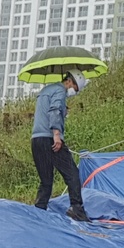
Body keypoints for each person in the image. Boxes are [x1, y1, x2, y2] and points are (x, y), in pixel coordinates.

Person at [31, 68, 91, 222]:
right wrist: (57, 135)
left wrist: (63, 110)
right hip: (50, 138)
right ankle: (76, 209)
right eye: (75, 88)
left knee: (46, 180)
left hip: (36, 140)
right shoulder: (59, 90)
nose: (74, 92)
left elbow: (47, 111)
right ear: (70, 81)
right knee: (72, 174)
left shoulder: (46, 90)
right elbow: (54, 110)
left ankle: (38, 212)